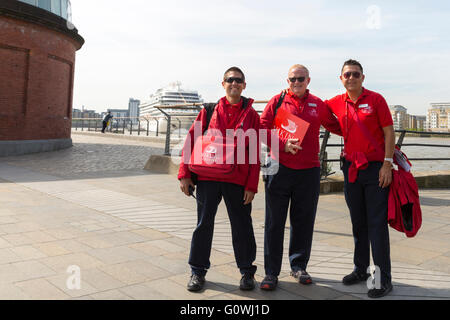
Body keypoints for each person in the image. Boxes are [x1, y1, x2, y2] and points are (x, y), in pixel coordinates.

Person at [259, 65, 341, 290]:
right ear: (287, 80)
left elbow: (337, 126)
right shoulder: (277, 101)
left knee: (303, 222)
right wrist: (282, 145)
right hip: (278, 168)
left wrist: (370, 130)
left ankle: (298, 266)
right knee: (274, 223)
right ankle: (271, 273)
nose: (296, 82)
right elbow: (260, 128)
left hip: (309, 171)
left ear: (308, 80)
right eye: (292, 79)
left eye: (300, 78)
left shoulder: (318, 103)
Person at [178, 67, 260, 292]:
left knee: (242, 226)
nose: (234, 83)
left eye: (238, 80)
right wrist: (185, 174)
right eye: (230, 80)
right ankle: (197, 271)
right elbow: (192, 139)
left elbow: (254, 152)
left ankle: (246, 272)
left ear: (244, 85)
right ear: (223, 84)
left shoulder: (252, 115)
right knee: (203, 225)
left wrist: (252, 185)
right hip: (207, 177)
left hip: (238, 180)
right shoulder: (208, 111)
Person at [325, 59, 395, 298]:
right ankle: (361, 269)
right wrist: (288, 92)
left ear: (362, 78)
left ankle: (383, 278)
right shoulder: (336, 102)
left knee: (376, 224)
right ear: (341, 78)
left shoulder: (376, 100)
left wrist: (387, 164)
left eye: (355, 74)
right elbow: (317, 111)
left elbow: (389, 132)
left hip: (376, 168)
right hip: (351, 168)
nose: (351, 78)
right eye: (347, 74)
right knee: (358, 223)